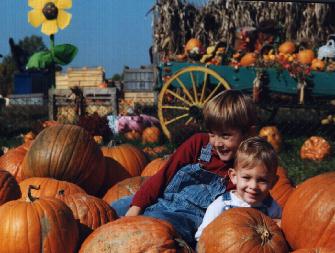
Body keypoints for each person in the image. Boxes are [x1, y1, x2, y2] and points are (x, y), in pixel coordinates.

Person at [111, 89, 257, 248]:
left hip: (188, 220)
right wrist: (136, 207)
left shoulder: (245, 170)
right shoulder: (198, 144)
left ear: (248, 133)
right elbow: (162, 177)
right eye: (212, 134)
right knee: (112, 209)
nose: (216, 142)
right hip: (163, 201)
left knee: (153, 226)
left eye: (225, 136)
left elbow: (253, 202)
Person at [195, 136, 281, 241]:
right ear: (233, 176)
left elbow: (282, 235)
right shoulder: (222, 205)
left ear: (273, 182)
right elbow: (201, 236)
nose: (253, 186)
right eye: (246, 177)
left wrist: (280, 226)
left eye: (262, 180)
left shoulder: (272, 208)